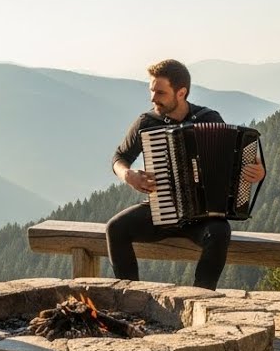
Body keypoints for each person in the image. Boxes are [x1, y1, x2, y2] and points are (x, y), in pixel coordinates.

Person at [106, 59, 266, 291]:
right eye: (151, 91)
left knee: (220, 232)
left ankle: (201, 296)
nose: (153, 98)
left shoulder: (209, 118)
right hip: (161, 209)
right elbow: (119, 157)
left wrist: (256, 171)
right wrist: (128, 175)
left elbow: (235, 165)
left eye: (160, 92)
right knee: (115, 228)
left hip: (202, 217)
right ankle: (130, 294)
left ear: (181, 93)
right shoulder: (147, 122)